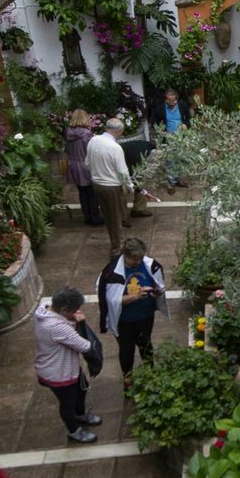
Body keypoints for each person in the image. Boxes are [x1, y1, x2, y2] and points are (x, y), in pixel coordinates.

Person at [32, 287, 104, 444]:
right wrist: (79, 323)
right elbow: (85, 346)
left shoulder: (42, 309)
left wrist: (72, 320)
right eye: (74, 310)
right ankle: (74, 430)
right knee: (67, 404)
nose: (77, 312)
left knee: (81, 389)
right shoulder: (56, 327)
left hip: (66, 367)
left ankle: (81, 414)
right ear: (63, 310)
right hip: (59, 374)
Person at [98, 236, 168, 380]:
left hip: (146, 315)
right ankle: (128, 378)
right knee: (126, 350)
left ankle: (151, 374)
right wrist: (136, 296)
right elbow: (111, 300)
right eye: (134, 260)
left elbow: (158, 283)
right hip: (124, 320)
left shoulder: (150, 265)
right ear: (125, 255)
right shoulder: (111, 273)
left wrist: (156, 291)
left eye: (140, 259)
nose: (138, 262)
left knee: (146, 345)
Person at [86, 117, 134, 256]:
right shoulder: (115, 147)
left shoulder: (93, 140)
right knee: (115, 217)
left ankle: (116, 242)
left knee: (107, 216)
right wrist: (129, 186)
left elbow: (87, 163)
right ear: (118, 132)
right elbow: (122, 172)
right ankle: (116, 248)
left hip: (97, 184)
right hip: (111, 187)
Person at [64, 110, 104, 226]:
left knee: (82, 192)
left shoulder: (68, 133)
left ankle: (87, 217)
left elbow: (66, 150)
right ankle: (95, 217)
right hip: (85, 165)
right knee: (92, 192)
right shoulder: (86, 134)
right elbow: (91, 150)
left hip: (73, 165)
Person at [149, 88, 194, 189]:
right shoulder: (159, 108)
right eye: (169, 101)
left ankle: (179, 180)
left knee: (181, 159)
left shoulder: (182, 105)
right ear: (165, 99)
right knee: (170, 161)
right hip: (168, 139)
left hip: (181, 138)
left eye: (174, 101)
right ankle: (171, 183)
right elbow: (154, 124)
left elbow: (189, 119)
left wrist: (185, 125)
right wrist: (163, 132)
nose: (172, 103)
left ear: (176, 98)